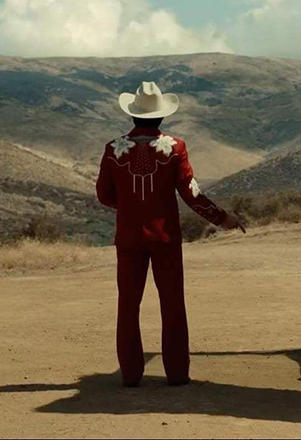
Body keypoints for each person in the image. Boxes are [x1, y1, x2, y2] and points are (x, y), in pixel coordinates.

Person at [95, 81, 245, 387]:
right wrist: (221, 218)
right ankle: (177, 373)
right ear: (162, 116)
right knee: (173, 303)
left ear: (133, 114)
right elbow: (191, 193)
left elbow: (103, 195)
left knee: (128, 305)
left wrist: (128, 207)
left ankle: (131, 374)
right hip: (165, 238)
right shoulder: (176, 148)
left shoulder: (113, 150)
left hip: (128, 238)